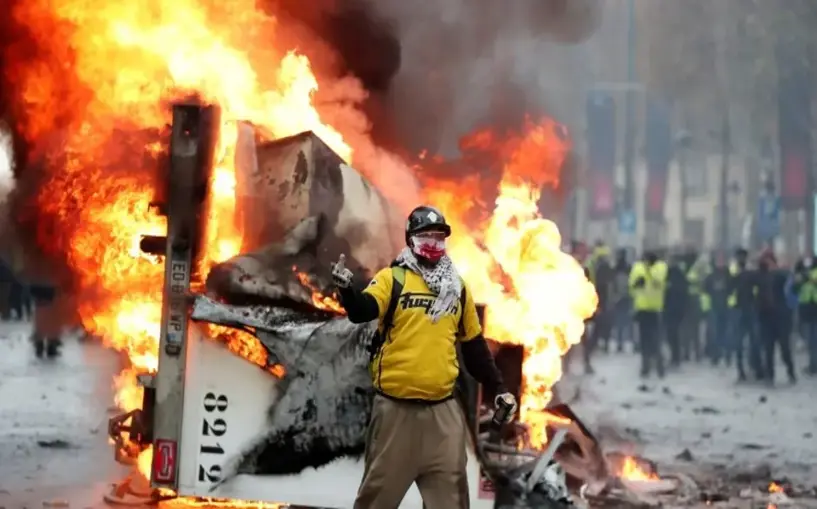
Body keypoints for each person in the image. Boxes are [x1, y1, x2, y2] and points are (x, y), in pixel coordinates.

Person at [332, 205, 517, 509]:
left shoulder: (457, 289)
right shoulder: (393, 279)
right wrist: (347, 291)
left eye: (438, 237)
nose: (432, 243)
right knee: (375, 502)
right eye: (424, 236)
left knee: (453, 503)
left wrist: (498, 388)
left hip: (442, 417)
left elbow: (474, 347)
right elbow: (362, 311)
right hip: (395, 415)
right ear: (410, 240)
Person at [755, 252, 796, 385]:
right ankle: (770, 376)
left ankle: (791, 372)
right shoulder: (760, 277)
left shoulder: (781, 275)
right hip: (767, 317)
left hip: (781, 317)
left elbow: (790, 287)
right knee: (768, 349)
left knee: (784, 348)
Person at [629, 250, 668, 378]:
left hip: (655, 309)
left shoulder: (661, 267)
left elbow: (658, 281)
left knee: (655, 340)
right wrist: (636, 284)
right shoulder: (637, 268)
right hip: (642, 309)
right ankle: (645, 367)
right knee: (644, 340)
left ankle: (659, 367)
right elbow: (631, 286)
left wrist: (647, 273)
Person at [729, 248, 761, 381]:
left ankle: (753, 368)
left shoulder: (749, 272)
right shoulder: (733, 271)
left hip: (747, 309)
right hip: (740, 309)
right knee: (742, 342)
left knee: (751, 341)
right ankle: (743, 369)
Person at [584, 243, 614, 373]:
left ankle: (585, 361)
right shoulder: (598, 267)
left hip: (588, 304)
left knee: (587, 335)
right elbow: (602, 288)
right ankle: (585, 361)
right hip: (589, 304)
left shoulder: (590, 264)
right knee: (586, 335)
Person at [703, 251, 732, 365]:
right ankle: (716, 356)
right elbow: (706, 289)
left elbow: (731, 288)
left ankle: (727, 355)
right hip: (714, 307)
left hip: (726, 307)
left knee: (726, 332)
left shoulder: (728, 275)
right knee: (714, 333)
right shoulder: (711, 276)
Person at [793, 251, 817, 375]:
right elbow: (796, 288)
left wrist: (804, 276)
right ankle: (812, 364)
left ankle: (814, 365)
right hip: (806, 309)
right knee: (810, 339)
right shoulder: (801, 273)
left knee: (814, 340)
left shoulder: (813, 272)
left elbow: (812, 279)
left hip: (814, 307)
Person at [664, 251, 688, 368]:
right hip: (669, 309)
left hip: (675, 309)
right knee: (670, 334)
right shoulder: (667, 273)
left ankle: (676, 357)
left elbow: (681, 292)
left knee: (674, 334)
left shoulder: (677, 274)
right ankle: (674, 357)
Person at [611, 248, 633, 352]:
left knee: (620, 321)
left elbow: (613, 284)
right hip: (625, 297)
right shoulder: (629, 268)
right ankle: (624, 342)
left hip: (619, 298)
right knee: (625, 321)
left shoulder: (615, 269)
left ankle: (620, 343)